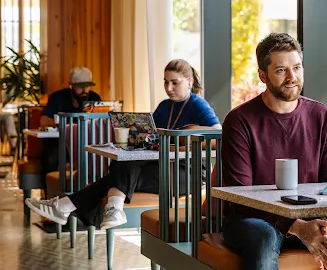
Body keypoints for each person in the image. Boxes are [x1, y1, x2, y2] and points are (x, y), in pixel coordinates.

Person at [221, 33, 327, 270]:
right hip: (255, 220)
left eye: (296, 67)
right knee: (264, 239)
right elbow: (242, 197)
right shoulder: (239, 121)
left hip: (310, 215)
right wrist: (296, 227)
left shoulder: (322, 116)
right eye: (281, 70)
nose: (292, 77)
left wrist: (319, 226)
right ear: (262, 75)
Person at [25, 59, 221, 229]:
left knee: (117, 174)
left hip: (188, 172)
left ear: (189, 81)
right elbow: (148, 133)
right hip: (162, 165)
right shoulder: (164, 106)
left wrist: (183, 138)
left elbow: (217, 133)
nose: (168, 88)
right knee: (126, 158)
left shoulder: (198, 104)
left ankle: (69, 206)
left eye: (174, 83)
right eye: (165, 82)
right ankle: (112, 208)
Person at [40, 66, 102, 176]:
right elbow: (44, 121)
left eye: (87, 86)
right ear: (71, 85)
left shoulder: (94, 98)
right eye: (80, 87)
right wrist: (65, 123)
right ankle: (49, 190)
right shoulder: (58, 97)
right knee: (50, 156)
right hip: (60, 141)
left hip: (87, 141)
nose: (84, 90)